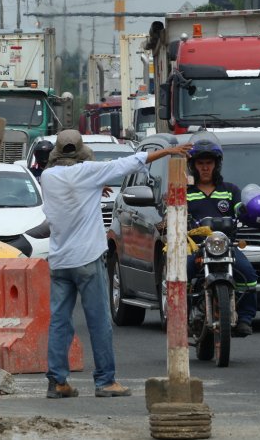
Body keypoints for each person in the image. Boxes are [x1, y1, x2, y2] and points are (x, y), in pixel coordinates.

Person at [41, 129, 191, 399]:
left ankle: (57, 381)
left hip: (60, 260)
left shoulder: (47, 177)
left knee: (60, 322)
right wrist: (167, 152)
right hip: (87, 259)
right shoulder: (88, 172)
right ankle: (105, 381)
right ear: (80, 152)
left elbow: (74, 188)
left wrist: (96, 186)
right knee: (99, 321)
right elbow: (128, 163)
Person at [184, 135, 260, 337]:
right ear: (193, 166)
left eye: (209, 163)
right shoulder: (185, 192)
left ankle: (244, 319)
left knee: (249, 276)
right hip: (196, 248)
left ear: (216, 165)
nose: (205, 167)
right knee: (181, 276)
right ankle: (183, 318)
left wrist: (248, 211)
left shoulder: (230, 190)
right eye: (200, 163)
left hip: (227, 246)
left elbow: (238, 208)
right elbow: (173, 214)